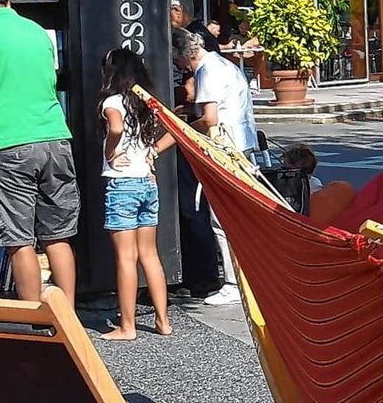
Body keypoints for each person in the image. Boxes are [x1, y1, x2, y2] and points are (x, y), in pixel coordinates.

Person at [0, 0, 78, 304]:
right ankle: (68, 314)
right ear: (9, 2)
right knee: (57, 235)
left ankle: (34, 316)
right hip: (55, 138)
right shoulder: (37, 31)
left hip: (9, 143)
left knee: (18, 238)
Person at [172, 28, 262, 306]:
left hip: (224, 147)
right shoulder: (225, 64)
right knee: (239, 214)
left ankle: (235, 283)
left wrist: (183, 128)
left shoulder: (206, 71)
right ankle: (249, 276)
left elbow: (210, 119)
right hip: (242, 143)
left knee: (221, 219)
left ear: (180, 54)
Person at [97, 49, 171, 341]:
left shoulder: (112, 101)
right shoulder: (146, 102)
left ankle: (127, 326)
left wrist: (110, 152)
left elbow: (115, 127)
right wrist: (153, 151)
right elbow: (176, 131)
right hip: (147, 182)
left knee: (126, 259)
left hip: (123, 185)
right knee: (150, 255)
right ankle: (163, 321)